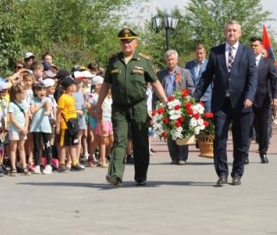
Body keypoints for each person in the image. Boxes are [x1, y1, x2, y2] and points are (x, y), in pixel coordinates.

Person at [95, 28, 168, 187]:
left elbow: (155, 82)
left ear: (135, 43)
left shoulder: (143, 61)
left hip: (138, 106)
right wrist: (98, 105)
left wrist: (165, 101)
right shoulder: (113, 61)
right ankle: (115, 175)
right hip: (119, 107)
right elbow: (106, 84)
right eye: (123, 41)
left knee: (140, 141)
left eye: (129, 41)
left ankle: (141, 176)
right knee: (119, 140)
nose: (126, 44)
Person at [193, 21, 257, 186]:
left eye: (234, 30)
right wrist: (195, 98)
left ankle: (237, 173)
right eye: (228, 30)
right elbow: (206, 77)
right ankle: (222, 173)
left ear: (240, 33)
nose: (231, 33)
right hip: (221, 103)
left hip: (242, 103)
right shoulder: (216, 52)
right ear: (224, 32)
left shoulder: (248, 53)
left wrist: (250, 96)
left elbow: (252, 77)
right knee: (219, 139)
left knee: (240, 141)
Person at [156, 49, 194, 165]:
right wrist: (157, 106)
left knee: (181, 131)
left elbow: (191, 88)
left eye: (172, 59)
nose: (170, 62)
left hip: (181, 106)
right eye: (168, 60)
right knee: (169, 131)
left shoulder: (185, 72)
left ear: (177, 60)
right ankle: (173, 157)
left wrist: (187, 99)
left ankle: (182, 157)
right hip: (166, 106)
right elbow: (156, 90)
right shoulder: (160, 74)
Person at [247, 36, 277, 164]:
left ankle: (263, 152)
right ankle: (244, 154)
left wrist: (276, 98)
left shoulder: (268, 63)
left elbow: (275, 81)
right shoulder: (245, 61)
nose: (253, 48)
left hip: (263, 100)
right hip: (247, 101)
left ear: (261, 47)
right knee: (246, 128)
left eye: (256, 45)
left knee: (263, 129)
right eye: (252, 46)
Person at [57, 77, 83, 172]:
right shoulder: (63, 98)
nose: (75, 86)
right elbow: (59, 112)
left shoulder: (71, 97)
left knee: (73, 144)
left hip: (73, 123)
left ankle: (74, 162)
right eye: (73, 85)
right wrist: (58, 125)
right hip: (65, 124)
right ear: (69, 87)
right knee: (64, 145)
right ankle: (62, 163)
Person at [185, 44, 211, 112]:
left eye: (201, 53)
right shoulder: (188, 65)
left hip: (207, 98)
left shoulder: (210, 64)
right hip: (193, 98)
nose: (199, 55)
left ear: (205, 53)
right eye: (197, 53)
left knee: (208, 120)